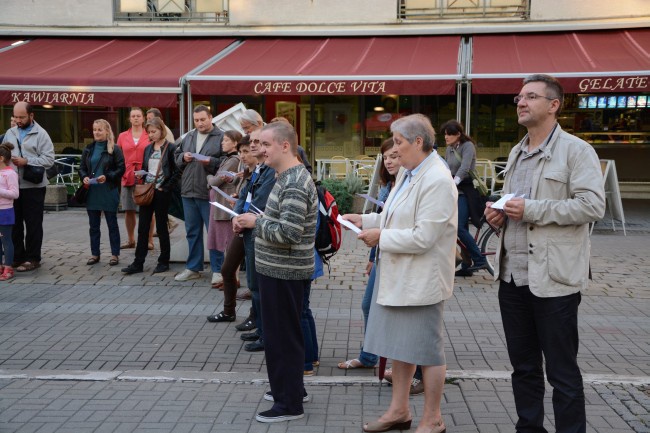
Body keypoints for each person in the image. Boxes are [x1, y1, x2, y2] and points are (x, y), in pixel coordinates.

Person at [484, 74, 605, 433]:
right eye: (519, 97)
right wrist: (499, 216)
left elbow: (592, 206)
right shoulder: (517, 152)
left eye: (531, 97)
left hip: (553, 280)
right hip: (512, 276)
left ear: (553, 105)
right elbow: (516, 209)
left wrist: (532, 209)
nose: (521, 102)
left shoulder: (577, 150)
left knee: (562, 372)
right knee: (523, 368)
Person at [344, 114, 457, 433]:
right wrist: (367, 220)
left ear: (418, 142)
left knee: (427, 351)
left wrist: (381, 237)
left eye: (398, 142)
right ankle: (399, 410)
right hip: (399, 276)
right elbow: (396, 215)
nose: (392, 150)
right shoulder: (411, 172)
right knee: (399, 347)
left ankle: (432, 419)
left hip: (422, 280)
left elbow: (424, 236)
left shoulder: (436, 178)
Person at [236, 121, 318, 423]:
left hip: (284, 272)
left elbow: (289, 233)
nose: (260, 150)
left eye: (266, 145)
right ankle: (291, 389)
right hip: (278, 270)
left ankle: (289, 403)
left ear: (286, 146)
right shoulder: (284, 176)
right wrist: (253, 219)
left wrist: (254, 223)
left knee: (281, 337)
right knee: (284, 335)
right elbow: (281, 222)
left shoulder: (294, 181)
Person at [338, 137, 399, 371]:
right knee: (368, 305)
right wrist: (363, 222)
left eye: (394, 155)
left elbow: (421, 232)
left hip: (401, 257)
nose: (389, 161)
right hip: (384, 253)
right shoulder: (391, 185)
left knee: (393, 313)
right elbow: (385, 220)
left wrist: (378, 236)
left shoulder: (417, 183)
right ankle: (370, 357)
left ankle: (404, 365)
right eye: (386, 157)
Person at [230, 127, 277, 352]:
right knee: (254, 284)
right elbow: (245, 195)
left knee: (259, 286)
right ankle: (260, 328)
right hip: (249, 228)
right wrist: (238, 216)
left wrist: (244, 217)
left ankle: (266, 333)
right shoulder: (257, 169)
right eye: (253, 141)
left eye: (260, 142)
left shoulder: (269, 170)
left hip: (258, 229)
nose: (255, 145)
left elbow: (260, 202)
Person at [206, 135, 256, 324]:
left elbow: (257, 201)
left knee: (253, 278)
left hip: (253, 227)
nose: (242, 156)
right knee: (227, 269)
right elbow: (243, 196)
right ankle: (229, 312)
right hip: (241, 224)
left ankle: (254, 316)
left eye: (246, 152)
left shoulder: (259, 173)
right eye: (241, 151)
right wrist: (236, 206)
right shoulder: (246, 172)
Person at [121, 117, 179, 275]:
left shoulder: (171, 148)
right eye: (149, 132)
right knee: (143, 227)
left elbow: (176, 172)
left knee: (161, 227)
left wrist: (165, 187)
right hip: (147, 189)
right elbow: (146, 167)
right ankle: (138, 262)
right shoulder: (148, 148)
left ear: (162, 130)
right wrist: (141, 175)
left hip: (161, 191)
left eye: (154, 131)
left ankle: (163, 261)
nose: (151, 135)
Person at [174, 105, 225, 282]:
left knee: (214, 232)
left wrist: (210, 161)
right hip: (188, 190)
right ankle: (193, 268)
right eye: (196, 120)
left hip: (209, 192)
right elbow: (177, 156)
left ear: (211, 117)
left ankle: (218, 270)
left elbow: (228, 162)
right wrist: (183, 158)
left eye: (203, 119)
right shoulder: (190, 135)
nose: (200, 123)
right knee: (192, 231)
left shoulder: (221, 136)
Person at [4, 101, 55, 272]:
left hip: (34, 186)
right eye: (15, 117)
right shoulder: (10, 132)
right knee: (15, 223)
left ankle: (33, 258)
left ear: (31, 116)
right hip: (13, 186)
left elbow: (49, 159)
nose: (18, 120)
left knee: (33, 224)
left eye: (21, 117)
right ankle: (18, 257)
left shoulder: (41, 134)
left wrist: (27, 161)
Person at [443, 119, 489, 277]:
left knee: (459, 226)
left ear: (458, 134)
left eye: (449, 134)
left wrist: (454, 182)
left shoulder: (467, 146)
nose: (446, 137)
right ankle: (466, 263)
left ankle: (479, 259)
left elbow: (465, 167)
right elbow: (446, 168)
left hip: (467, 191)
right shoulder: (449, 149)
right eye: (445, 134)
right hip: (455, 190)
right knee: (457, 227)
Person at [79, 119, 126, 267]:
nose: (96, 132)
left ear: (107, 131)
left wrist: (108, 176)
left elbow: (121, 169)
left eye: (99, 130)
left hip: (108, 191)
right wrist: (84, 177)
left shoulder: (115, 149)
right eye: (94, 130)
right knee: (94, 226)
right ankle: (95, 254)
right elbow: (81, 168)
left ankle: (114, 254)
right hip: (92, 192)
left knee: (112, 225)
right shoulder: (88, 148)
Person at [206, 129, 242, 287]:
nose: (222, 142)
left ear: (235, 143)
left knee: (228, 244)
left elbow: (215, 181)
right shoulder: (227, 159)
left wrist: (209, 178)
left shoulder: (233, 160)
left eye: (226, 140)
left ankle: (233, 279)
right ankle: (230, 278)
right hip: (220, 205)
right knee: (226, 244)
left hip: (225, 206)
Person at [117, 107, 151, 250]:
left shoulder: (149, 134)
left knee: (148, 208)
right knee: (129, 209)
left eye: (138, 116)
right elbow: (117, 156)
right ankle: (131, 240)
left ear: (143, 118)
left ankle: (149, 240)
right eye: (133, 116)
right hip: (128, 174)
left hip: (145, 175)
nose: (136, 118)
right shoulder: (122, 136)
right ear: (129, 119)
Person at [146, 107, 179, 236]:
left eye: (150, 118)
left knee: (161, 214)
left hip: (162, 182)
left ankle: (169, 223)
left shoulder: (166, 135)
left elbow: (170, 161)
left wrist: (165, 186)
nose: (148, 121)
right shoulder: (149, 144)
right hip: (152, 183)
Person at [0, 142, 19, 281]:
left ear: (1, 158)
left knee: (6, 239)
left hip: (5, 211)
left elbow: (14, 193)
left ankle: (8, 267)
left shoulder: (10, 173)